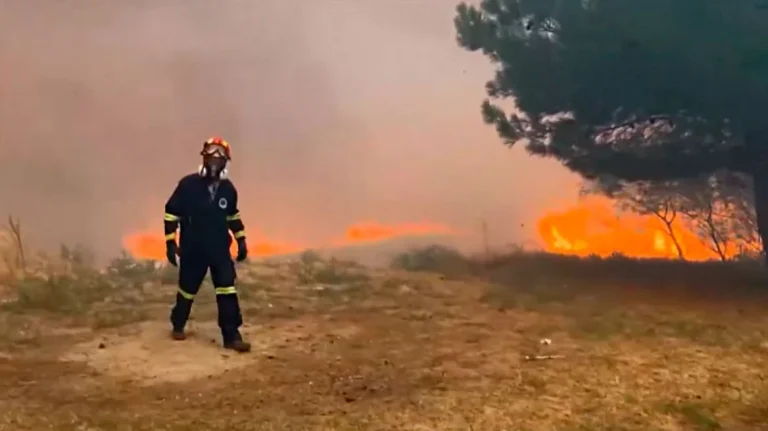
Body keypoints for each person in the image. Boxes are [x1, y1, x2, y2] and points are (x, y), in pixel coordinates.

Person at [162, 136, 251, 353]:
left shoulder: (228, 189)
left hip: (219, 249)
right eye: (211, 156)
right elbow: (171, 213)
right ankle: (178, 323)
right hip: (193, 248)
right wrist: (170, 243)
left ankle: (232, 336)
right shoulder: (188, 185)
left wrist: (241, 240)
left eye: (220, 158)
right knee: (187, 289)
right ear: (203, 158)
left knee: (227, 289)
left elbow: (232, 216)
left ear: (225, 162)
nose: (214, 161)